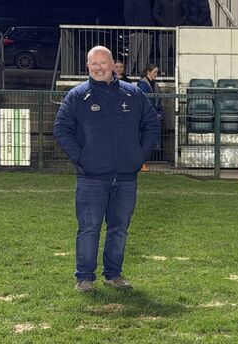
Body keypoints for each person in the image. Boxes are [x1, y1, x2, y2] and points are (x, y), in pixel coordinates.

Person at [53, 46, 161, 292]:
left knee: (119, 228)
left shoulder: (133, 94)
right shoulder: (76, 96)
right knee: (89, 228)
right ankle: (85, 277)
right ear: (88, 66)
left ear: (114, 64)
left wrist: (139, 156)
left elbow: (152, 125)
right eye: (94, 63)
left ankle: (113, 275)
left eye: (103, 62)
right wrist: (82, 158)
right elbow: (61, 130)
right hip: (91, 178)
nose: (99, 67)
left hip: (125, 178)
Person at [137, 64, 166, 168]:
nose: (156, 74)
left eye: (157, 72)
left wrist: (160, 113)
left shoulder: (155, 85)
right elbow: (146, 101)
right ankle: (142, 162)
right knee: (144, 139)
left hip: (153, 115)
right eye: (155, 72)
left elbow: (159, 101)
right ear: (148, 72)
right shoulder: (142, 85)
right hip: (145, 117)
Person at [153, 0, 189, 76]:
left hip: (177, 31)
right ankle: (163, 72)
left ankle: (180, 72)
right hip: (164, 31)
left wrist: (180, 22)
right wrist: (162, 23)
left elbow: (186, 12)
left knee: (178, 53)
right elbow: (155, 13)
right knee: (163, 54)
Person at [124, 0, 154, 77]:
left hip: (147, 31)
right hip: (136, 31)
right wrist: (132, 29)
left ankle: (143, 76)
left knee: (144, 57)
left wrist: (151, 27)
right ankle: (127, 75)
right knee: (133, 55)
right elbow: (127, 14)